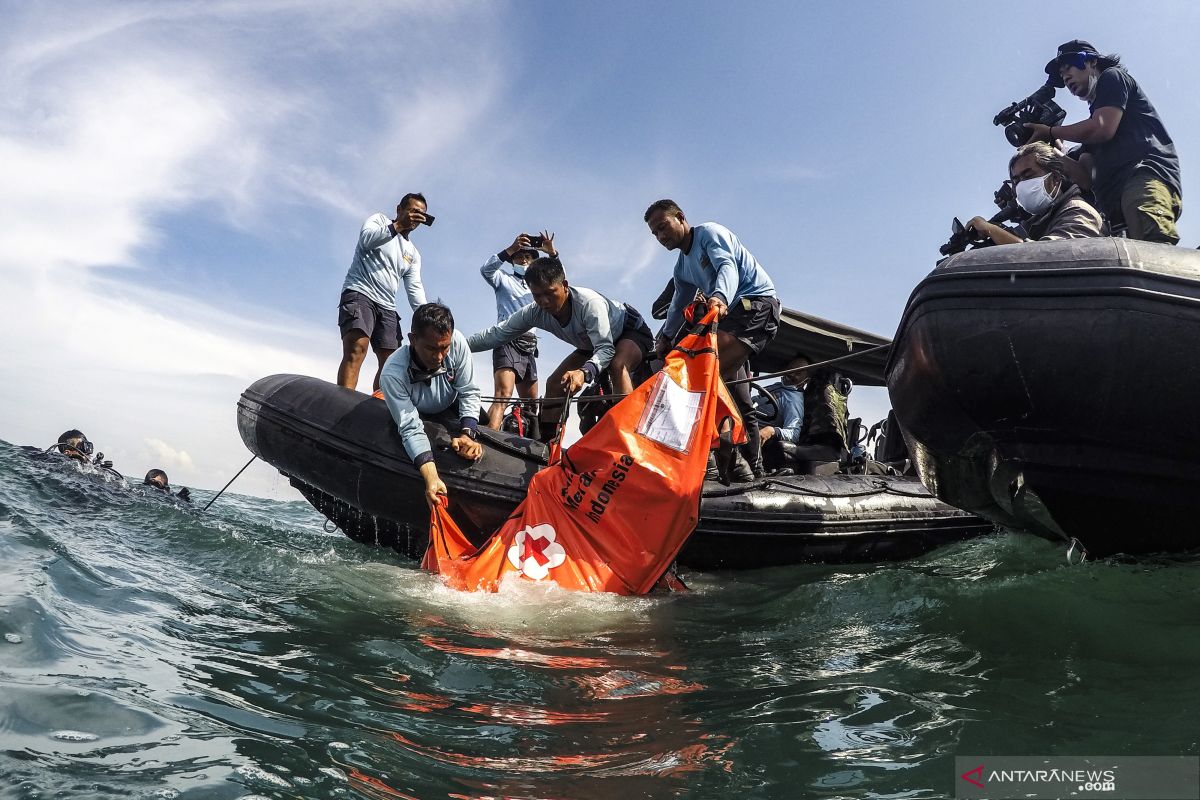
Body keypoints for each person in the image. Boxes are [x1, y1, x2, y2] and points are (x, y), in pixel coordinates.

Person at [645, 199, 780, 480]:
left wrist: (718, 296)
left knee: (703, 380)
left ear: (681, 217)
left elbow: (726, 267)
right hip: (728, 319)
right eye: (655, 234)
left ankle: (724, 466)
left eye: (663, 227)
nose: (660, 237)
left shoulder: (709, 234)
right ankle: (746, 468)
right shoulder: (682, 268)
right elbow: (676, 304)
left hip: (755, 306)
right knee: (728, 393)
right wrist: (666, 337)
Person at [467, 257, 653, 442]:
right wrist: (458, 345)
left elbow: (605, 349)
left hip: (629, 332)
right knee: (555, 384)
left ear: (564, 285)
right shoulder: (535, 312)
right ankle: (546, 445)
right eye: (537, 295)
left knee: (617, 365)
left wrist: (584, 372)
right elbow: (498, 334)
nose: (544, 301)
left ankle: (628, 438)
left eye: (550, 293)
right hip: (590, 345)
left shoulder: (589, 304)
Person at [1024, 40, 1181, 244]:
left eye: (1068, 67)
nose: (1065, 76)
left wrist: (1051, 131)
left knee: (1155, 253)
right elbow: (1085, 177)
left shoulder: (1112, 77)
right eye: (1061, 74)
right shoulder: (1091, 123)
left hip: (1141, 178)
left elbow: (1102, 128)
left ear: (1091, 62)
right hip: (1113, 203)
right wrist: (1050, 151)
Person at [379, 302, 483, 510]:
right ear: (412, 339)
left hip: (452, 406)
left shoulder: (459, 343)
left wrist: (468, 434)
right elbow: (410, 428)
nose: (438, 357)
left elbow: (469, 391)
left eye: (444, 348)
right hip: (417, 413)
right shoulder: (392, 374)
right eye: (431, 348)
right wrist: (431, 478)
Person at [337, 193, 432, 392]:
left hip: (387, 306)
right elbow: (366, 240)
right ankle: (344, 400)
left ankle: (376, 407)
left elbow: (414, 287)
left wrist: (427, 317)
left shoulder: (413, 253)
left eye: (421, 214)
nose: (417, 217)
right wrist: (398, 226)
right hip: (360, 292)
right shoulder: (378, 220)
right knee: (357, 349)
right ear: (400, 209)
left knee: (390, 363)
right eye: (413, 211)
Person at [480, 232, 557, 433]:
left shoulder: (538, 286)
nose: (523, 259)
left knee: (531, 406)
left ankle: (528, 448)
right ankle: (487, 439)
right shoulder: (503, 279)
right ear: (512, 260)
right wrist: (511, 249)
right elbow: (486, 270)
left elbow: (560, 283)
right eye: (519, 256)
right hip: (507, 340)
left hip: (529, 345)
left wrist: (552, 254)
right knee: (503, 395)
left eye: (529, 257)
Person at [967, 141, 1104, 244]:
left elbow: (1046, 259)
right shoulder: (1037, 222)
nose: (1022, 185)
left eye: (1028, 176)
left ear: (1055, 177)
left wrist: (992, 230)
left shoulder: (1077, 211)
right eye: (1017, 181)